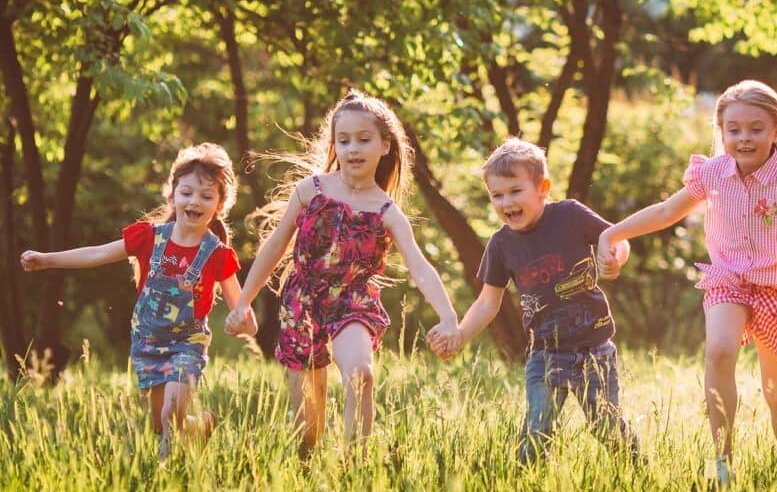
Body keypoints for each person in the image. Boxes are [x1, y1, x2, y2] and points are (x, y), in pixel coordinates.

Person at [596, 81, 777, 485]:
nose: (744, 138)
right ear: (721, 131)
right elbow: (666, 210)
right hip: (729, 281)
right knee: (719, 350)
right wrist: (612, 234)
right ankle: (723, 463)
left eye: (756, 129)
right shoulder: (712, 173)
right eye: (734, 129)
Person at [225, 90, 457, 449]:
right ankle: (306, 474)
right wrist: (243, 303)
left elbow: (421, 268)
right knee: (308, 428)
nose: (352, 149)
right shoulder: (310, 191)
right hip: (302, 302)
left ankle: (355, 466)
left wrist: (448, 317)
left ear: (385, 146)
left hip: (353, 301)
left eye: (364, 140)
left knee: (361, 374)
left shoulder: (387, 212)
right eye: (343, 140)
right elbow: (275, 247)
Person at [21, 144, 242, 458]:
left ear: (219, 206)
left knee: (170, 414)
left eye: (206, 196)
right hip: (148, 343)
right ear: (172, 195)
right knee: (159, 423)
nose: (195, 201)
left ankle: (166, 479)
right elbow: (98, 253)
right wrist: (48, 260)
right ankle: (199, 427)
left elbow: (239, 303)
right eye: (187, 192)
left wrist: (243, 319)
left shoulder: (217, 254)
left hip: (187, 343)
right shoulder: (149, 238)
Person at [430, 138, 639, 463]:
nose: (506, 202)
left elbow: (616, 236)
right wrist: (459, 335)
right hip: (544, 352)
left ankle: (635, 469)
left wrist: (615, 255)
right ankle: (527, 486)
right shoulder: (501, 245)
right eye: (497, 195)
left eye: (515, 191)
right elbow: (487, 303)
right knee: (537, 429)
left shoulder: (569, 215)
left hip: (593, 348)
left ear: (542, 188)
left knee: (605, 425)